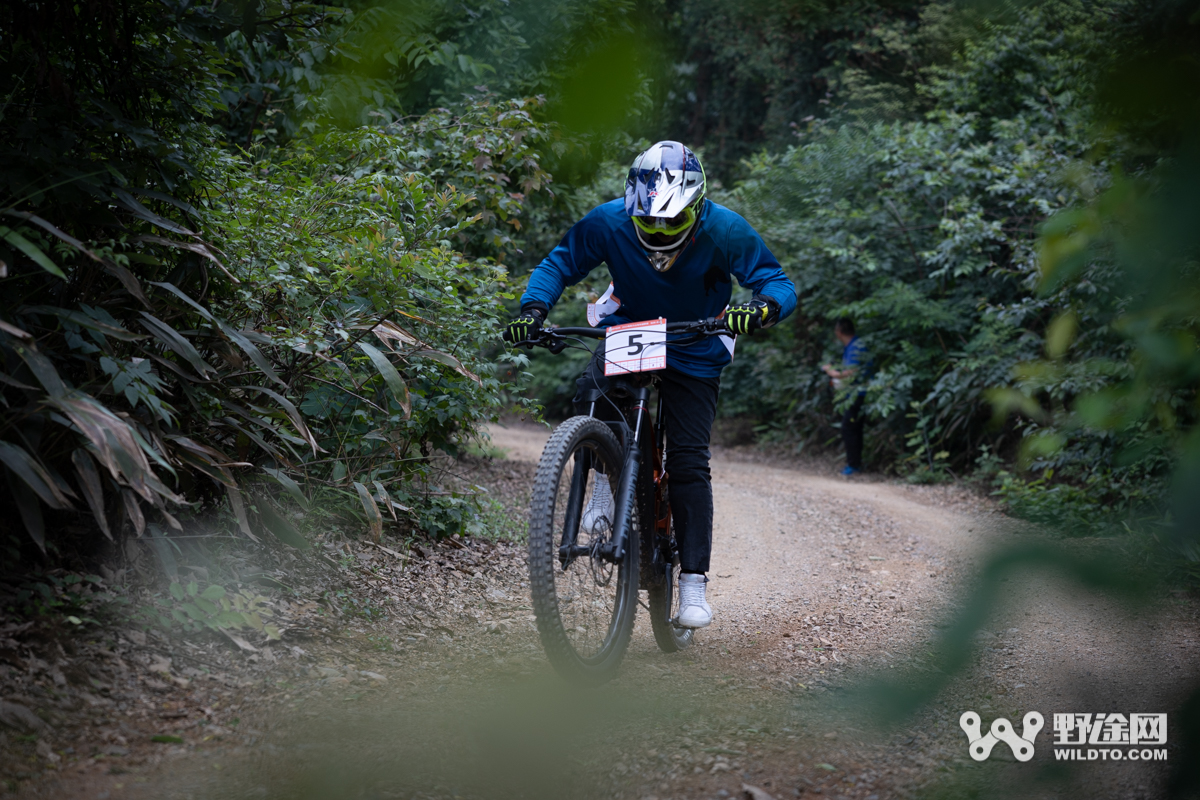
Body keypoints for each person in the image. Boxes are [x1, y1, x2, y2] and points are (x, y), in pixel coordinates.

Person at [503, 141, 796, 628]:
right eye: (649, 222)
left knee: (687, 461)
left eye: (672, 223)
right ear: (630, 208)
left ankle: (692, 584)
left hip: (696, 340)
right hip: (632, 328)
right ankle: (601, 489)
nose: (659, 232)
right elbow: (559, 263)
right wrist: (534, 309)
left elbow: (776, 282)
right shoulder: (608, 221)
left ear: (697, 208)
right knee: (590, 397)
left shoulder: (724, 228)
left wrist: (760, 308)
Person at [821, 317, 871, 476]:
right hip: (855, 393)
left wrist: (831, 372)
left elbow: (851, 371)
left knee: (849, 428)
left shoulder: (856, 346)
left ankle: (854, 466)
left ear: (839, 332)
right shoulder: (853, 345)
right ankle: (855, 464)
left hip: (858, 394)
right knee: (853, 428)